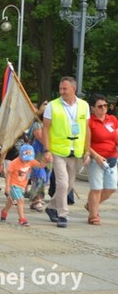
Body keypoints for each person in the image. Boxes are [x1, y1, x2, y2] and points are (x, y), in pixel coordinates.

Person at [42, 76, 90, 228]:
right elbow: (45, 128)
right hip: (58, 150)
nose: (61, 91)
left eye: (65, 89)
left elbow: (87, 129)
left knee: (69, 184)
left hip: (75, 151)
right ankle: (63, 215)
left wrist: (86, 150)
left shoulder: (84, 105)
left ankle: (50, 208)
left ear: (73, 89)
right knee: (62, 183)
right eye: (60, 88)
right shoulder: (53, 105)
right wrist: (47, 150)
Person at [84, 94, 118, 225]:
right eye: (100, 106)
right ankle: (93, 215)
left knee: (111, 187)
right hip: (95, 158)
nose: (103, 108)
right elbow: (85, 144)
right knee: (96, 187)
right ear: (92, 108)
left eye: (105, 105)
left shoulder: (113, 119)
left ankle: (92, 205)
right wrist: (96, 156)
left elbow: (116, 137)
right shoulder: (89, 122)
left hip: (111, 157)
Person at [0, 144, 48, 227]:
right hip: (13, 185)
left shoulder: (31, 161)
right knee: (20, 200)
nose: (27, 161)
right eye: (25, 159)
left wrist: (46, 160)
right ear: (20, 155)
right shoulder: (14, 163)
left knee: (10, 201)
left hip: (21, 185)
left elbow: (40, 165)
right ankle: (22, 219)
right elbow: (8, 175)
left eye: (28, 159)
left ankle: (4, 212)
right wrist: (7, 187)